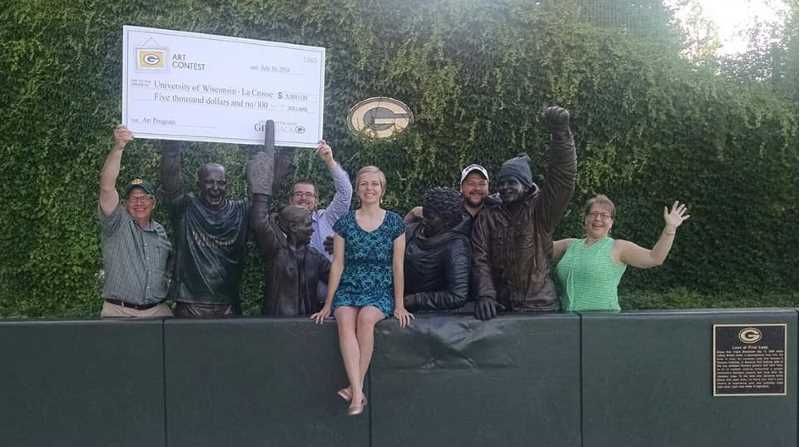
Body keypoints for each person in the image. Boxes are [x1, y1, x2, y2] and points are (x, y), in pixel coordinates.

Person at [311, 166, 413, 416]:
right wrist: (328, 304)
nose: (370, 188)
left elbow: (398, 266)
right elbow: (338, 264)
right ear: (357, 189)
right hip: (349, 285)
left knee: (366, 319)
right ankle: (357, 392)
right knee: (344, 319)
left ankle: (354, 390)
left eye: (375, 184)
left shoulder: (395, 223)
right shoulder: (344, 223)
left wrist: (399, 304)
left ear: (382, 189)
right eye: (364, 184)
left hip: (379, 287)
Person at [471, 106, 577, 320]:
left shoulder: (541, 210)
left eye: (512, 182)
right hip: (501, 308)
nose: (505, 187)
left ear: (527, 185)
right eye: (501, 183)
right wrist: (486, 294)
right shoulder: (488, 215)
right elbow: (480, 258)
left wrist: (561, 134)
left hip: (539, 307)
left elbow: (562, 177)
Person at [159, 141, 267, 318]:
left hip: (228, 306)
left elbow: (264, 198)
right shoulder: (185, 208)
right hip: (190, 306)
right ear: (199, 184)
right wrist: (172, 145)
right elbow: (170, 178)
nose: (215, 188)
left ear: (227, 185)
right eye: (209, 182)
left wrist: (284, 152)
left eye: (221, 183)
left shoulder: (241, 211)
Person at [553, 195, 690, 311]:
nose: (598, 219)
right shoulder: (569, 245)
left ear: (611, 223)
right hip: (568, 322)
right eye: (593, 214)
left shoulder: (618, 247)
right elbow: (540, 246)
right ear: (585, 219)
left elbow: (654, 258)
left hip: (603, 322)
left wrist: (670, 229)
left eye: (604, 215)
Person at [98, 125, 172, 318]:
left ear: (153, 203)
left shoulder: (161, 232)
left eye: (144, 197)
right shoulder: (116, 223)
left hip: (157, 311)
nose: (139, 202)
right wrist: (118, 147)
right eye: (133, 198)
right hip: (119, 312)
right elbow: (107, 187)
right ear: (124, 204)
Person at [250, 141, 331, 316]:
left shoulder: (315, 257)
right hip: (276, 323)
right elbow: (259, 221)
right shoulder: (275, 250)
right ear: (293, 227)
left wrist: (343, 248)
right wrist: (261, 191)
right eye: (307, 225)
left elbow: (341, 279)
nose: (311, 229)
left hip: (308, 322)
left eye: (309, 195)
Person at [403, 187, 472, 312]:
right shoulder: (411, 231)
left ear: (447, 220)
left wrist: (414, 300)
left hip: (427, 313)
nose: (424, 221)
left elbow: (457, 296)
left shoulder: (456, 246)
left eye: (430, 217)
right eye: (424, 214)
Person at [289, 140, 352, 260]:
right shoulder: (281, 224)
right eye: (298, 194)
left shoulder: (329, 218)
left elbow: (345, 193)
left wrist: (329, 161)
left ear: (316, 200)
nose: (303, 198)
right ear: (291, 200)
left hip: (328, 272)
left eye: (308, 194)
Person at [404, 163, 493, 224]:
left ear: (488, 187)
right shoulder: (449, 208)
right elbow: (415, 212)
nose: (477, 188)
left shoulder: (496, 212)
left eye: (482, 184)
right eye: (471, 183)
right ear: (461, 188)